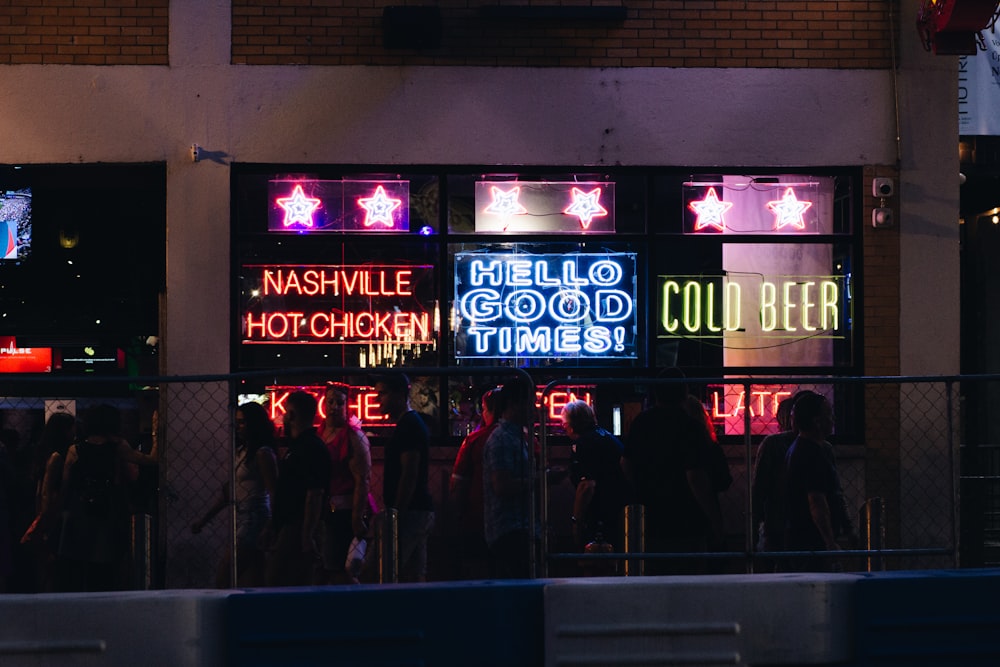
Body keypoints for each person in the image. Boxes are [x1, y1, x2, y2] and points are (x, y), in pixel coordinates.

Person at [621, 368, 723, 575]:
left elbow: (625, 463)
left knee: (653, 580)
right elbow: (695, 476)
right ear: (684, 393)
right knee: (689, 582)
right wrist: (714, 519)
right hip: (686, 518)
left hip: (650, 517)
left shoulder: (642, 422)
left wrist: (639, 490)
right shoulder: (690, 427)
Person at [58, 404, 159, 592]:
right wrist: (156, 432)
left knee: (80, 564)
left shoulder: (75, 449)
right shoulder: (118, 446)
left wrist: (63, 510)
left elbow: (66, 484)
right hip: (108, 509)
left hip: (80, 510)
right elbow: (151, 460)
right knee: (106, 563)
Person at [191, 401, 278, 587]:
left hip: (255, 517)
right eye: (236, 422)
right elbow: (228, 491)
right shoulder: (242, 451)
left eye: (243, 422)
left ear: (254, 424)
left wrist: (271, 525)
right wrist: (204, 520)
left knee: (226, 573)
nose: (238, 427)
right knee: (253, 576)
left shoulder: (262, 454)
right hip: (244, 515)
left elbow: (274, 491)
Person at [262, 391, 331, 587]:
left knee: (279, 581)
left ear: (291, 414)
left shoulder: (307, 448)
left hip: (297, 527)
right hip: (293, 526)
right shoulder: (305, 446)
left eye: (285, 412)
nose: (282, 417)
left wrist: (307, 534)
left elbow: (314, 494)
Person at [376, 373, 435, 583]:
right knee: (414, 573)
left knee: (387, 568)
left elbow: (409, 472)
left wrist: (396, 513)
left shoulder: (408, 426)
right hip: (418, 509)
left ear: (400, 394)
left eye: (382, 393)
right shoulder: (411, 423)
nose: (377, 399)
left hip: (410, 511)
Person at [561, 400, 631, 556]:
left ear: (571, 426)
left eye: (564, 425)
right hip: (620, 513)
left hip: (601, 518)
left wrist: (576, 522)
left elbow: (587, 486)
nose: (564, 430)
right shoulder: (607, 436)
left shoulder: (583, 444)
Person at [318, 384, 373, 584]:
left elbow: (362, 479)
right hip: (323, 509)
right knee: (327, 566)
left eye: (339, 403)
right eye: (329, 402)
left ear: (347, 405)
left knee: (342, 568)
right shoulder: (321, 433)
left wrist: (357, 517)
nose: (333, 407)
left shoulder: (353, 437)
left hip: (344, 510)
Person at [783, 391, 844, 571]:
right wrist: (829, 542)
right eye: (829, 414)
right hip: (812, 543)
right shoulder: (813, 454)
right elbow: (816, 501)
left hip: (799, 539)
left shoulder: (796, 449)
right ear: (817, 422)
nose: (833, 419)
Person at [482, 375, 535, 579]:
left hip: (515, 529)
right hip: (511, 531)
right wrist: (539, 481)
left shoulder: (516, 437)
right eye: (530, 401)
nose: (534, 408)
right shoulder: (503, 439)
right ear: (514, 404)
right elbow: (501, 486)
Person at [20, 412, 77, 592]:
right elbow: (45, 491)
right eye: (71, 429)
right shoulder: (56, 457)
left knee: (45, 565)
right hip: (51, 515)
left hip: (44, 514)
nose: (74, 433)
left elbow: (40, 491)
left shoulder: (45, 455)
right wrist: (46, 522)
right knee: (51, 564)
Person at [449, 387, 500, 579]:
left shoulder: (474, 440)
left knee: (477, 574)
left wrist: (458, 516)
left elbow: (458, 485)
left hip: (477, 519)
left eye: (484, 409)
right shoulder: (526, 439)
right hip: (517, 525)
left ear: (488, 410)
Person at [751, 393, 801, 554]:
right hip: (802, 523)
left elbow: (759, 488)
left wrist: (753, 527)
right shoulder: (819, 445)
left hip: (776, 520)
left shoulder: (772, 443)